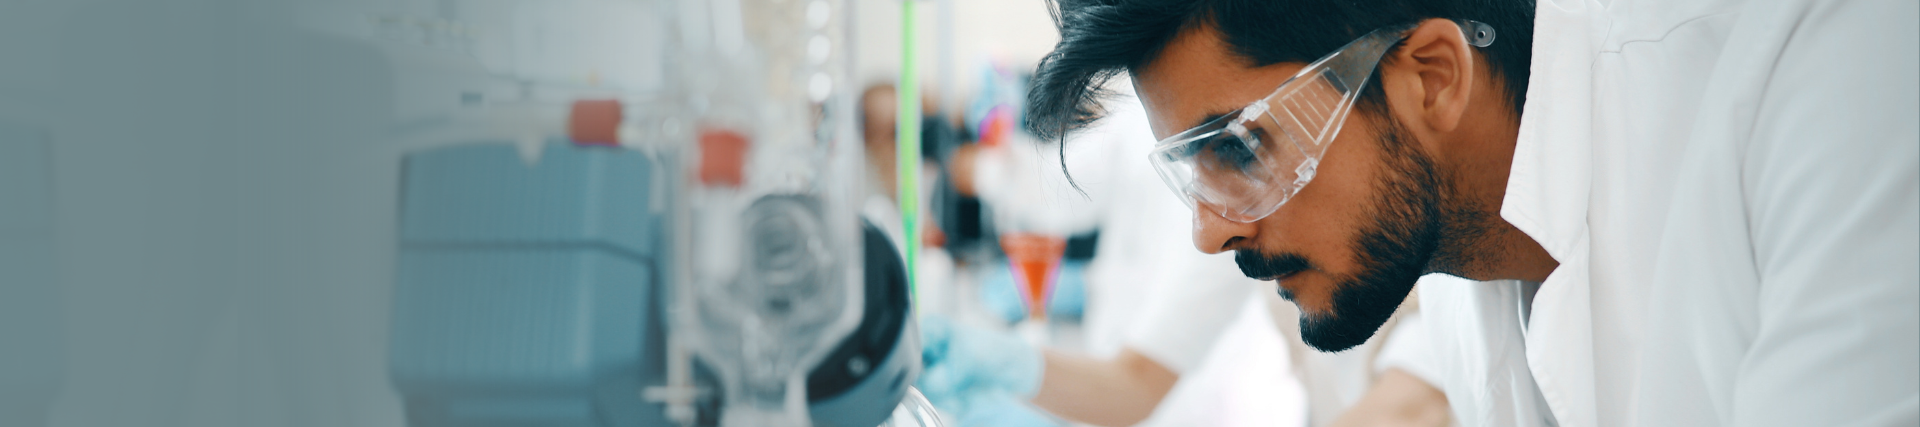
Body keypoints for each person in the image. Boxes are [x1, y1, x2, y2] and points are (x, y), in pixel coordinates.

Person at [1019, 0, 1918, 426]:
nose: (1208, 230)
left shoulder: (1826, 72)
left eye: (1240, 145)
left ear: (1431, 77)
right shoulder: (1459, 242)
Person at [920, 87, 1452, 427]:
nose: (1208, 230)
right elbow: (1056, 190)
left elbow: (1416, 399)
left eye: (1237, 151)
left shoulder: (1441, 253)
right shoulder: (1145, 112)